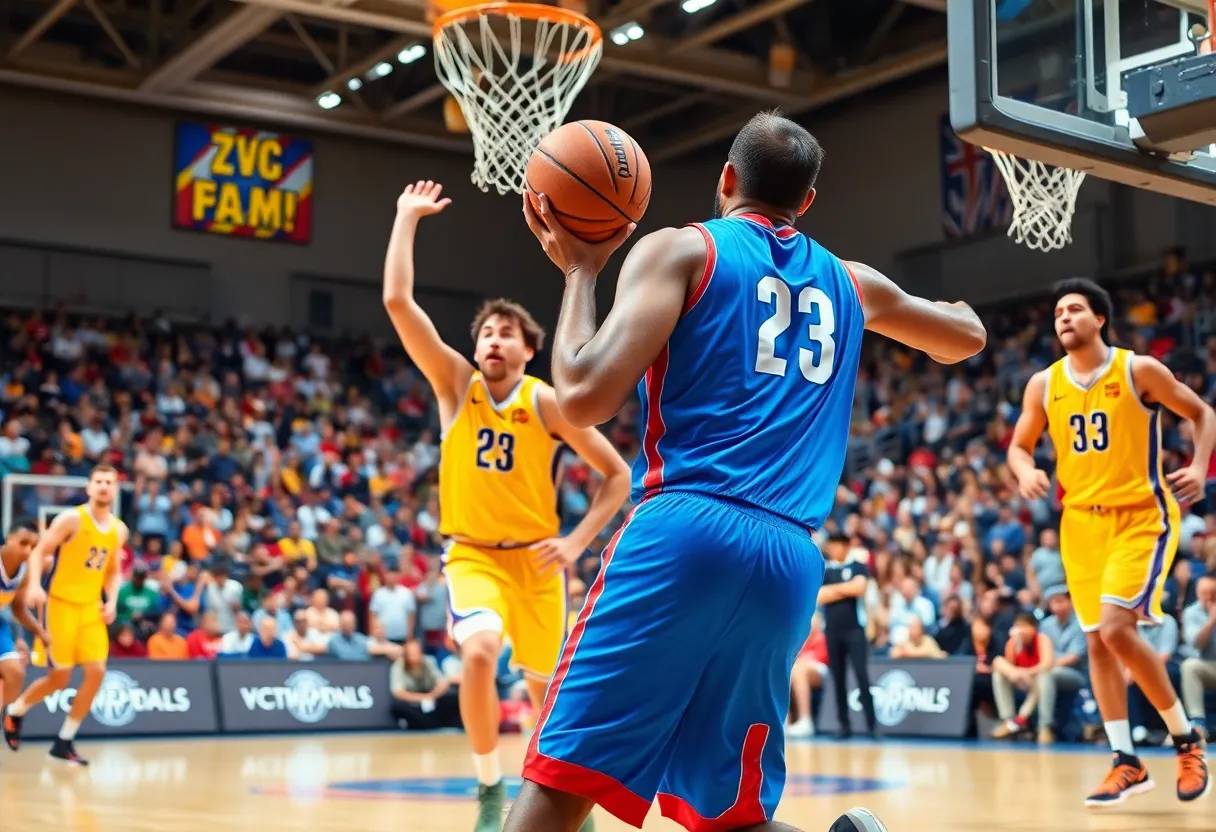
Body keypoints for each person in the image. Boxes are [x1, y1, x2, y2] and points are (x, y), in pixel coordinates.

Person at [508, 110, 986, 832]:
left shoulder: (682, 251)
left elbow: (579, 396)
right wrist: (931, 304)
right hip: (790, 561)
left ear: (726, 180)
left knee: (561, 776)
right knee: (726, 814)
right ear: (808, 201)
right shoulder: (852, 284)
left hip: (686, 530)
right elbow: (966, 337)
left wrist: (580, 271)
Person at [382, 180, 632, 832]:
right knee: (478, 652)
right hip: (472, 557)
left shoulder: (546, 401)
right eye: (486, 332)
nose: (493, 340)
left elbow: (617, 475)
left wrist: (577, 543)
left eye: (506, 334)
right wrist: (407, 218)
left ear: (527, 348)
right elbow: (397, 300)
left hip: (539, 565)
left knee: (546, 695)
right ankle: (491, 787)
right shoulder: (454, 385)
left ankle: (563, 795)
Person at [1007, 277, 1215, 806]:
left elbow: (1202, 412)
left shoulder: (1136, 369)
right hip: (1079, 525)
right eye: (1058, 311)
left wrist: (1195, 464)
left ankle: (1187, 738)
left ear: (1100, 319)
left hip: (1141, 516)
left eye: (1075, 308)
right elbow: (1018, 447)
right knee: (1098, 639)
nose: (1064, 317)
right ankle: (1126, 761)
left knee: (1119, 629)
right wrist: (1025, 469)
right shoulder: (1042, 384)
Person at [4, 465, 127, 766]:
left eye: (108, 482)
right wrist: (34, 585)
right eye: (97, 481)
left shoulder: (118, 530)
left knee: (97, 673)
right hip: (60, 605)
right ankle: (16, 710)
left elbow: (112, 572)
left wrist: (111, 601)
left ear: (115, 489)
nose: (103, 486)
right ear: (88, 487)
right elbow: (38, 550)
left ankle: (64, 740)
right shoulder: (71, 518)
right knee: (60, 678)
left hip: (90, 611)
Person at [818, 531, 877, 739]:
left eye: (837, 544)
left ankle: (872, 725)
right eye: (831, 545)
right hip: (833, 631)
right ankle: (844, 725)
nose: (833, 549)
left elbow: (859, 589)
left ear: (845, 546)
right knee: (839, 679)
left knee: (862, 676)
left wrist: (834, 591)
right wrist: (846, 589)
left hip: (855, 630)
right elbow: (819, 596)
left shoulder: (857, 566)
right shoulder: (826, 570)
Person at [0, 529, 47, 720]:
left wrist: (38, 633)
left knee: (15, 673)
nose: (28, 551)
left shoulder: (25, 571)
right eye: (23, 543)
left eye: (33, 547)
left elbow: (18, 608)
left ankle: (6, 718)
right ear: (9, 538)